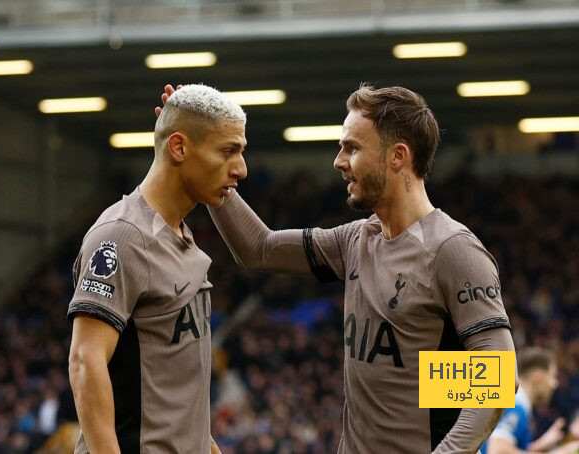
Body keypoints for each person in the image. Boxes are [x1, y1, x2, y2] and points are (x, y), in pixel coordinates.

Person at [156, 83, 517, 453]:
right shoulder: (355, 240)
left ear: (397, 156)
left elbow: (498, 382)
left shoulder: (452, 250)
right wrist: (205, 160)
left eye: (352, 148)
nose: (338, 161)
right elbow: (259, 248)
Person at [67, 84, 248, 453]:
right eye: (228, 151)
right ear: (179, 148)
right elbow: (85, 360)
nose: (241, 168)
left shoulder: (181, 237)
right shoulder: (121, 237)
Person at [482, 347, 579, 454]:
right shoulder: (517, 405)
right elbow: (498, 451)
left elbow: (502, 447)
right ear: (538, 377)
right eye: (552, 376)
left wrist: (538, 445)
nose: (554, 384)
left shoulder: (512, 401)